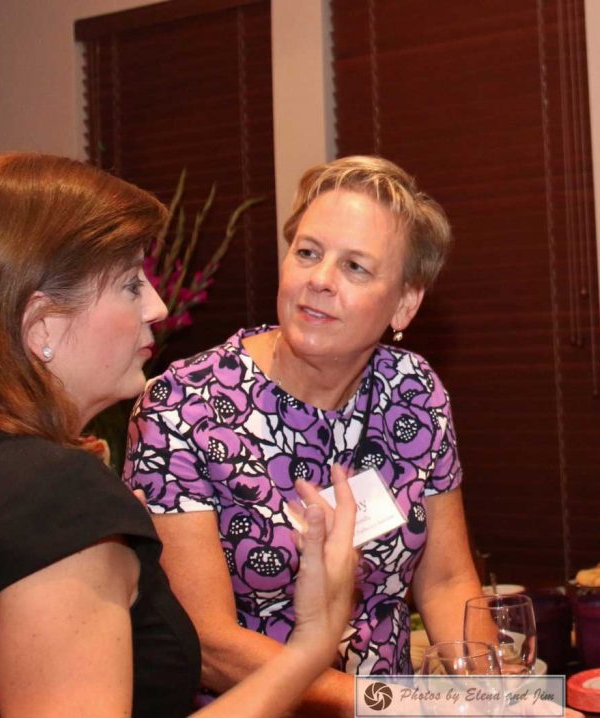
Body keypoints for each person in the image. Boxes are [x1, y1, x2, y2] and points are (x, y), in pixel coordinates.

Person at [0, 152, 358, 717]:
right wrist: (311, 646)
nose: (158, 307)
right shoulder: (54, 497)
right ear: (43, 325)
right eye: (128, 284)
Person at [123, 155, 484, 714]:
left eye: (356, 268)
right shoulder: (184, 407)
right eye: (308, 253)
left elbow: (446, 580)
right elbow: (208, 642)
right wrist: (394, 707)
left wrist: (494, 699)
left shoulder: (414, 391)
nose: (320, 281)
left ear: (405, 303)